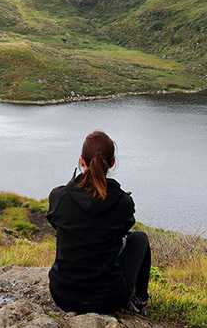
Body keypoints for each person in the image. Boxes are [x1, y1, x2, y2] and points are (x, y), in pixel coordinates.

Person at [47, 130, 151, 315]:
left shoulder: (60, 197)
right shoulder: (122, 202)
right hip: (109, 300)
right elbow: (125, 228)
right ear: (111, 163)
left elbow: (54, 222)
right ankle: (140, 299)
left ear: (81, 161)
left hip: (63, 296)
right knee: (139, 239)